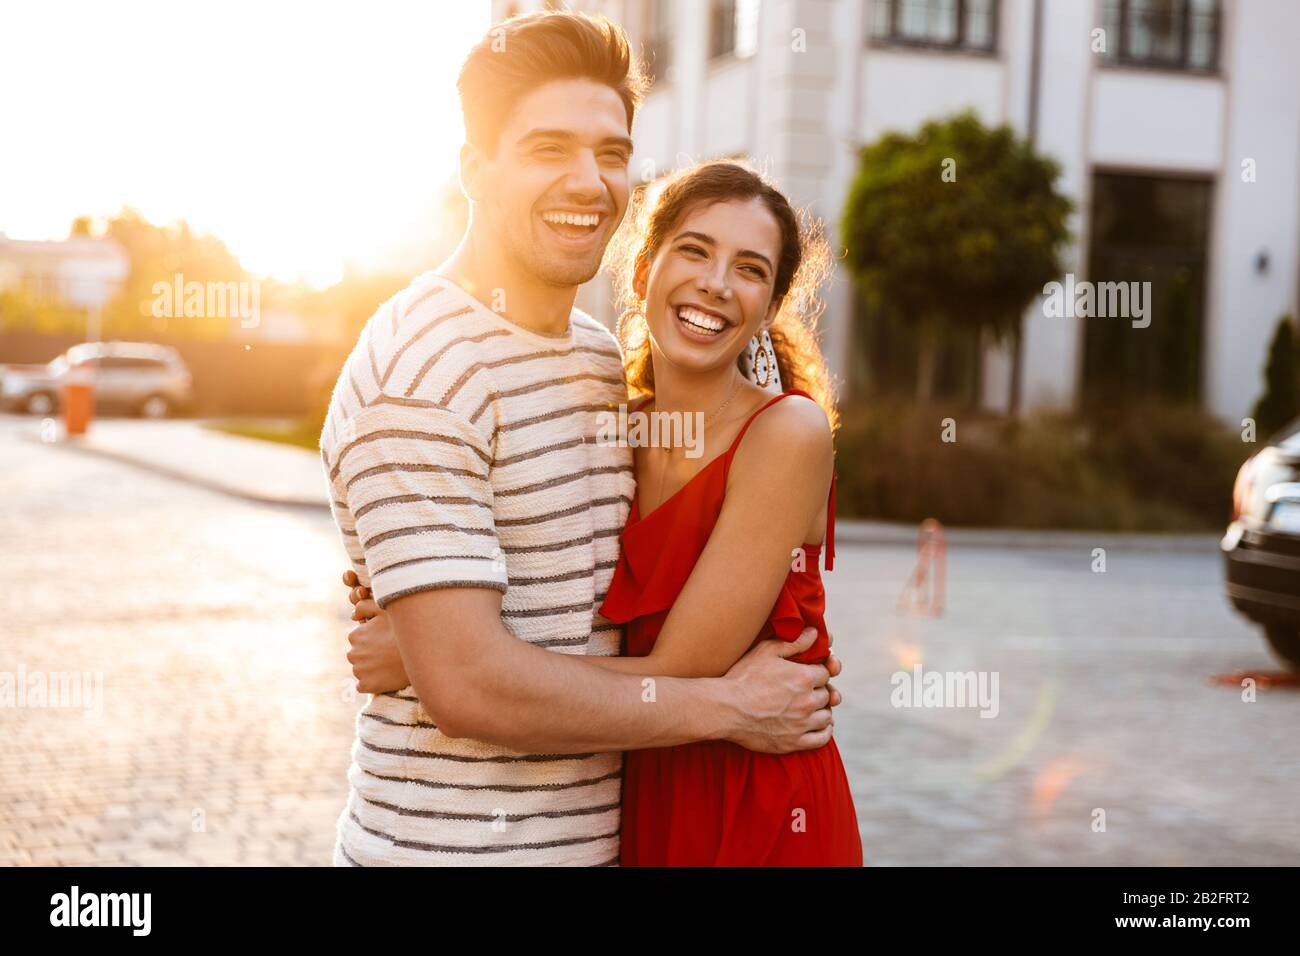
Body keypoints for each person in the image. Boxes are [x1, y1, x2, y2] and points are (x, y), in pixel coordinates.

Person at [322, 10, 840, 867]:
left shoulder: (603, 368)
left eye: (611, 153)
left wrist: (427, 656)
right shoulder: (417, 369)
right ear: (474, 170)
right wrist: (730, 704)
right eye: (549, 148)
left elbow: (627, 620)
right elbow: (475, 689)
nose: (589, 181)